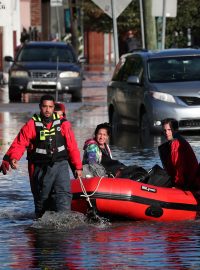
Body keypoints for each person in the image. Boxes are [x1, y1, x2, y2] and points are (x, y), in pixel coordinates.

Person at [0, 95, 82, 218]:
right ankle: (42, 226)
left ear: (54, 108)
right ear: (40, 107)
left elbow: (72, 147)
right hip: (40, 168)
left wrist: (78, 167)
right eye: (44, 106)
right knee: (42, 200)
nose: (47, 110)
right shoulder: (31, 125)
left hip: (61, 165)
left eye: (50, 107)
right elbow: (19, 143)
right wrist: (13, 158)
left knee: (64, 194)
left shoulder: (63, 124)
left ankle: (64, 225)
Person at [82, 122, 147, 179]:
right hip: (97, 174)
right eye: (99, 134)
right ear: (96, 135)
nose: (101, 137)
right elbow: (92, 164)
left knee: (135, 169)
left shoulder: (106, 147)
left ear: (107, 137)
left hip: (109, 171)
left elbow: (110, 162)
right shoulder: (92, 147)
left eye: (104, 135)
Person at [158, 118, 200, 190]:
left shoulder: (177, 144)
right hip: (186, 181)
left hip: (190, 183)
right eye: (165, 130)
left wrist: (178, 186)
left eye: (169, 130)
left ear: (175, 130)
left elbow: (179, 167)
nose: (167, 133)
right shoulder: (170, 144)